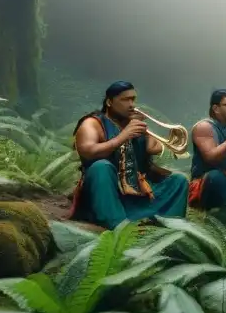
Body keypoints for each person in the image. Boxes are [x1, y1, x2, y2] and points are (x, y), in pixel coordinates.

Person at [69, 81, 190, 229]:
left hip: (136, 189)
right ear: (109, 102)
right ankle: (118, 225)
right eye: (125, 99)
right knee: (101, 167)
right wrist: (123, 136)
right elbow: (87, 151)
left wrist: (146, 131)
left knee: (179, 181)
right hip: (104, 188)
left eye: (133, 99)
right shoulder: (93, 123)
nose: (131, 104)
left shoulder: (132, 124)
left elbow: (154, 149)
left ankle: (168, 228)